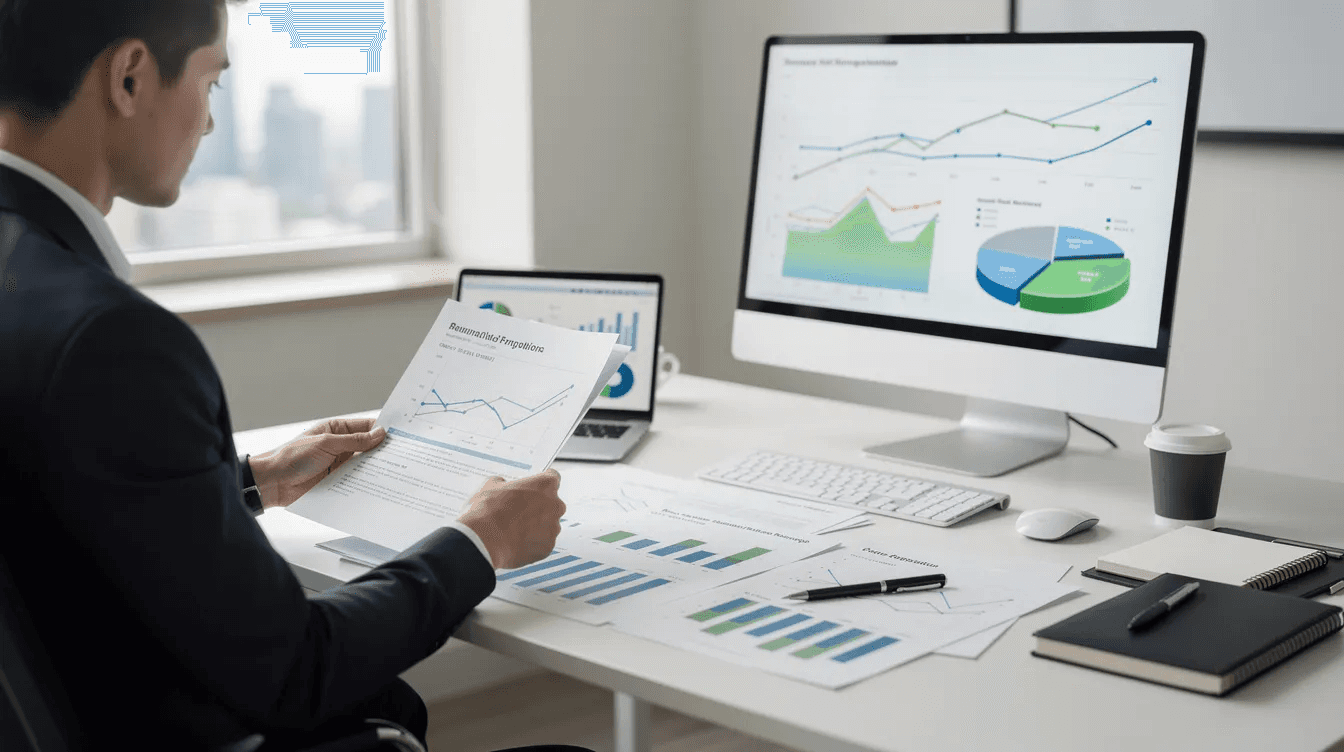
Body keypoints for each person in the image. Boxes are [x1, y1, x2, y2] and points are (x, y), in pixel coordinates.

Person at [0, 1, 589, 750]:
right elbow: (295, 671)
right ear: (129, 78)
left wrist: (250, 482)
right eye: (210, 82)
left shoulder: (32, 285)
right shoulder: (112, 340)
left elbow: (59, 523)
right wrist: (482, 541)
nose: (209, 123)